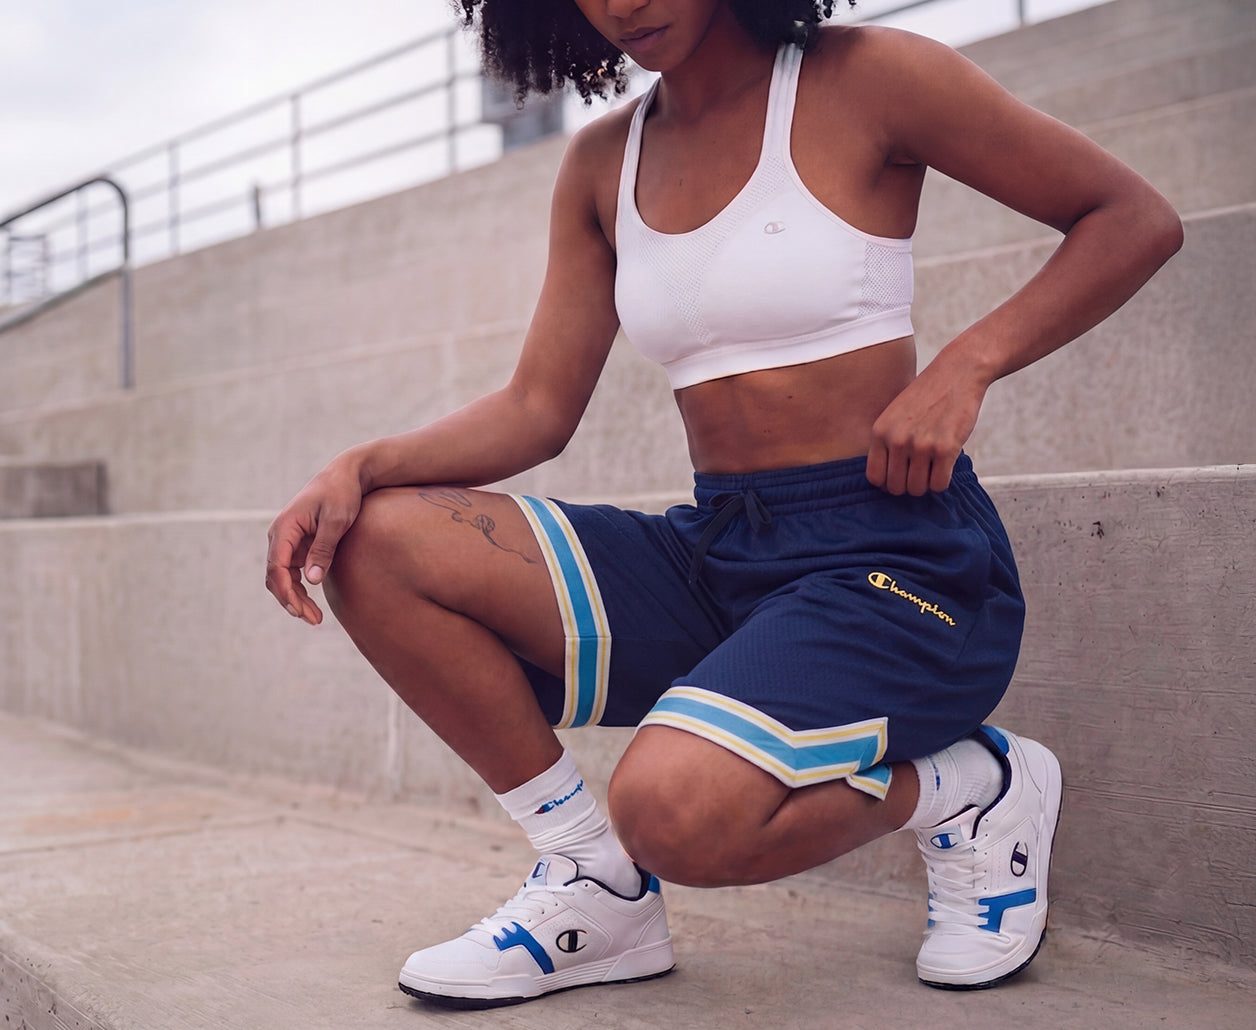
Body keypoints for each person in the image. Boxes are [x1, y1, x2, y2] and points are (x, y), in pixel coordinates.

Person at [265, 0, 1183, 1009]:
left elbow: (1131, 217)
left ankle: (972, 786)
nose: (622, 4)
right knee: (373, 538)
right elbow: (536, 408)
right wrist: (358, 464)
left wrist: (967, 365)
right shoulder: (602, 162)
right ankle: (594, 880)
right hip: (721, 551)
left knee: (673, 812)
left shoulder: (870, 78)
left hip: (894, 558)